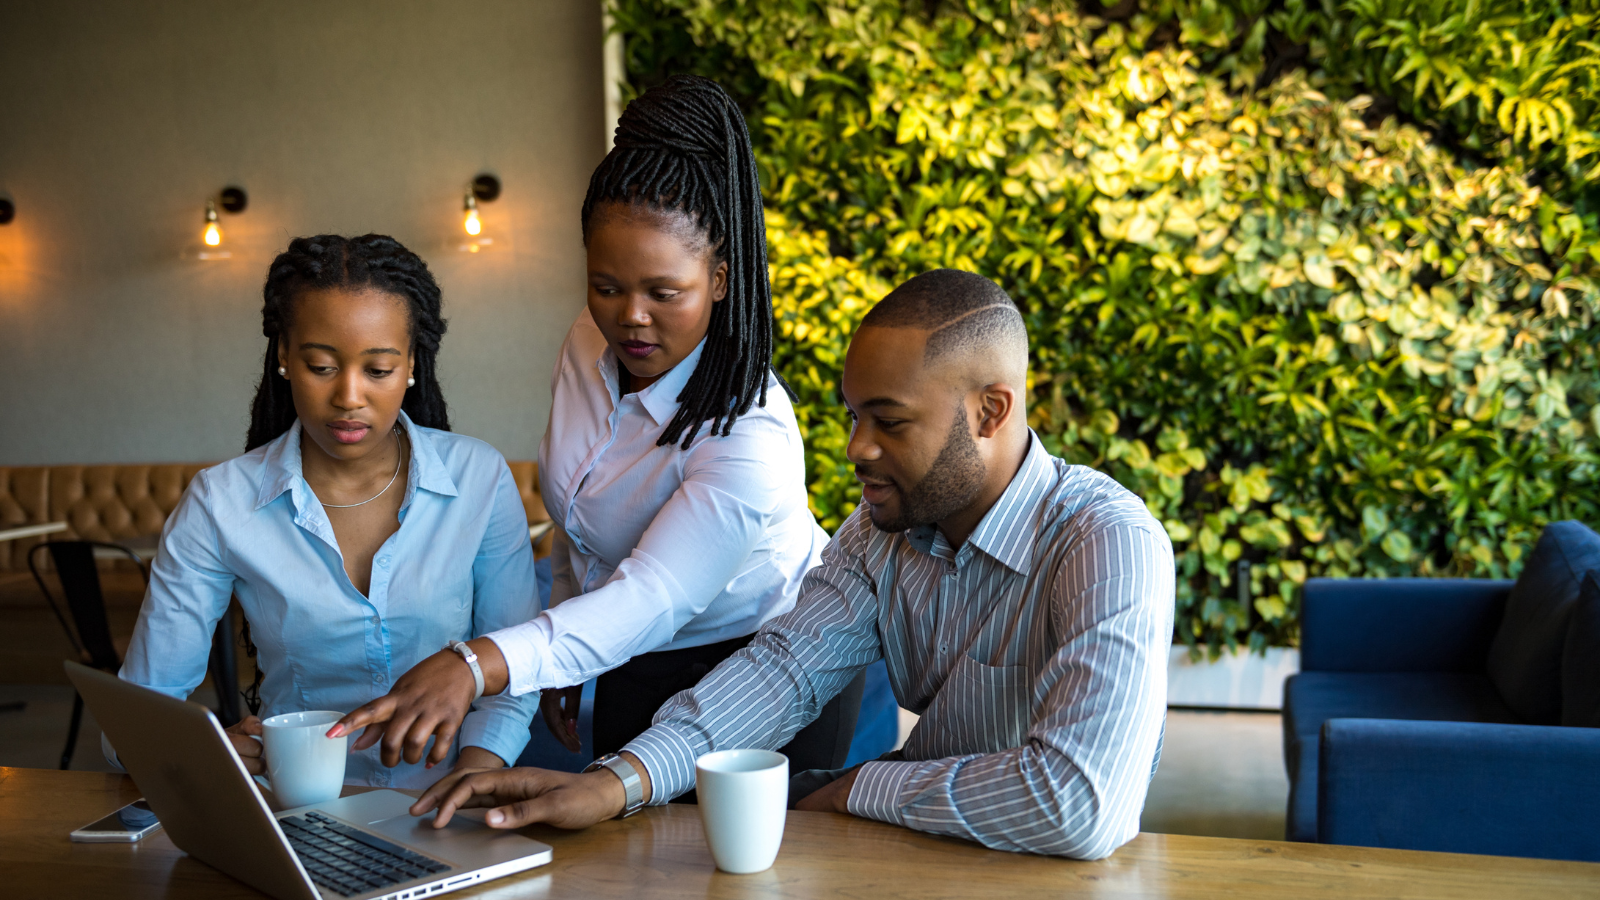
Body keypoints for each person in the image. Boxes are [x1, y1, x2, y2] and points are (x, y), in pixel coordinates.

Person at [404, 269, 1175, 860]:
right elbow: (780, 673)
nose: (856, 449)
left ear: (992, 411)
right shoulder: (879, 537)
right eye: (853, 416)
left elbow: (1079, 802)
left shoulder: (1108, 544)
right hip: (917, 855)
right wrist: (612, 785)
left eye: (889, 421)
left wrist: (855, 787)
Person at [330, 75, 861, 776]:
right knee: (633, 871)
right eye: (607, 286)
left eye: (663, 293)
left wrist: (480, 662)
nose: (629, 317)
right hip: (630, 647)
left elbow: (653, 594)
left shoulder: (749, 435)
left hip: (767, 661)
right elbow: (580, 526)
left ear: (723, 279)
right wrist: (560, 649)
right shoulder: (589, 341)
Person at [111, 234, 540, 789]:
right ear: (285, 357)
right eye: (320, 366)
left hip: (447, 802)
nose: (349, 397)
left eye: (379, 370)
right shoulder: (221, 504)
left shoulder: (477, 478)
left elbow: (512, 668)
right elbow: (137, 714)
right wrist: (211, 751)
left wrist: (471, 782)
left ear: (412, 364)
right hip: (294, 808)